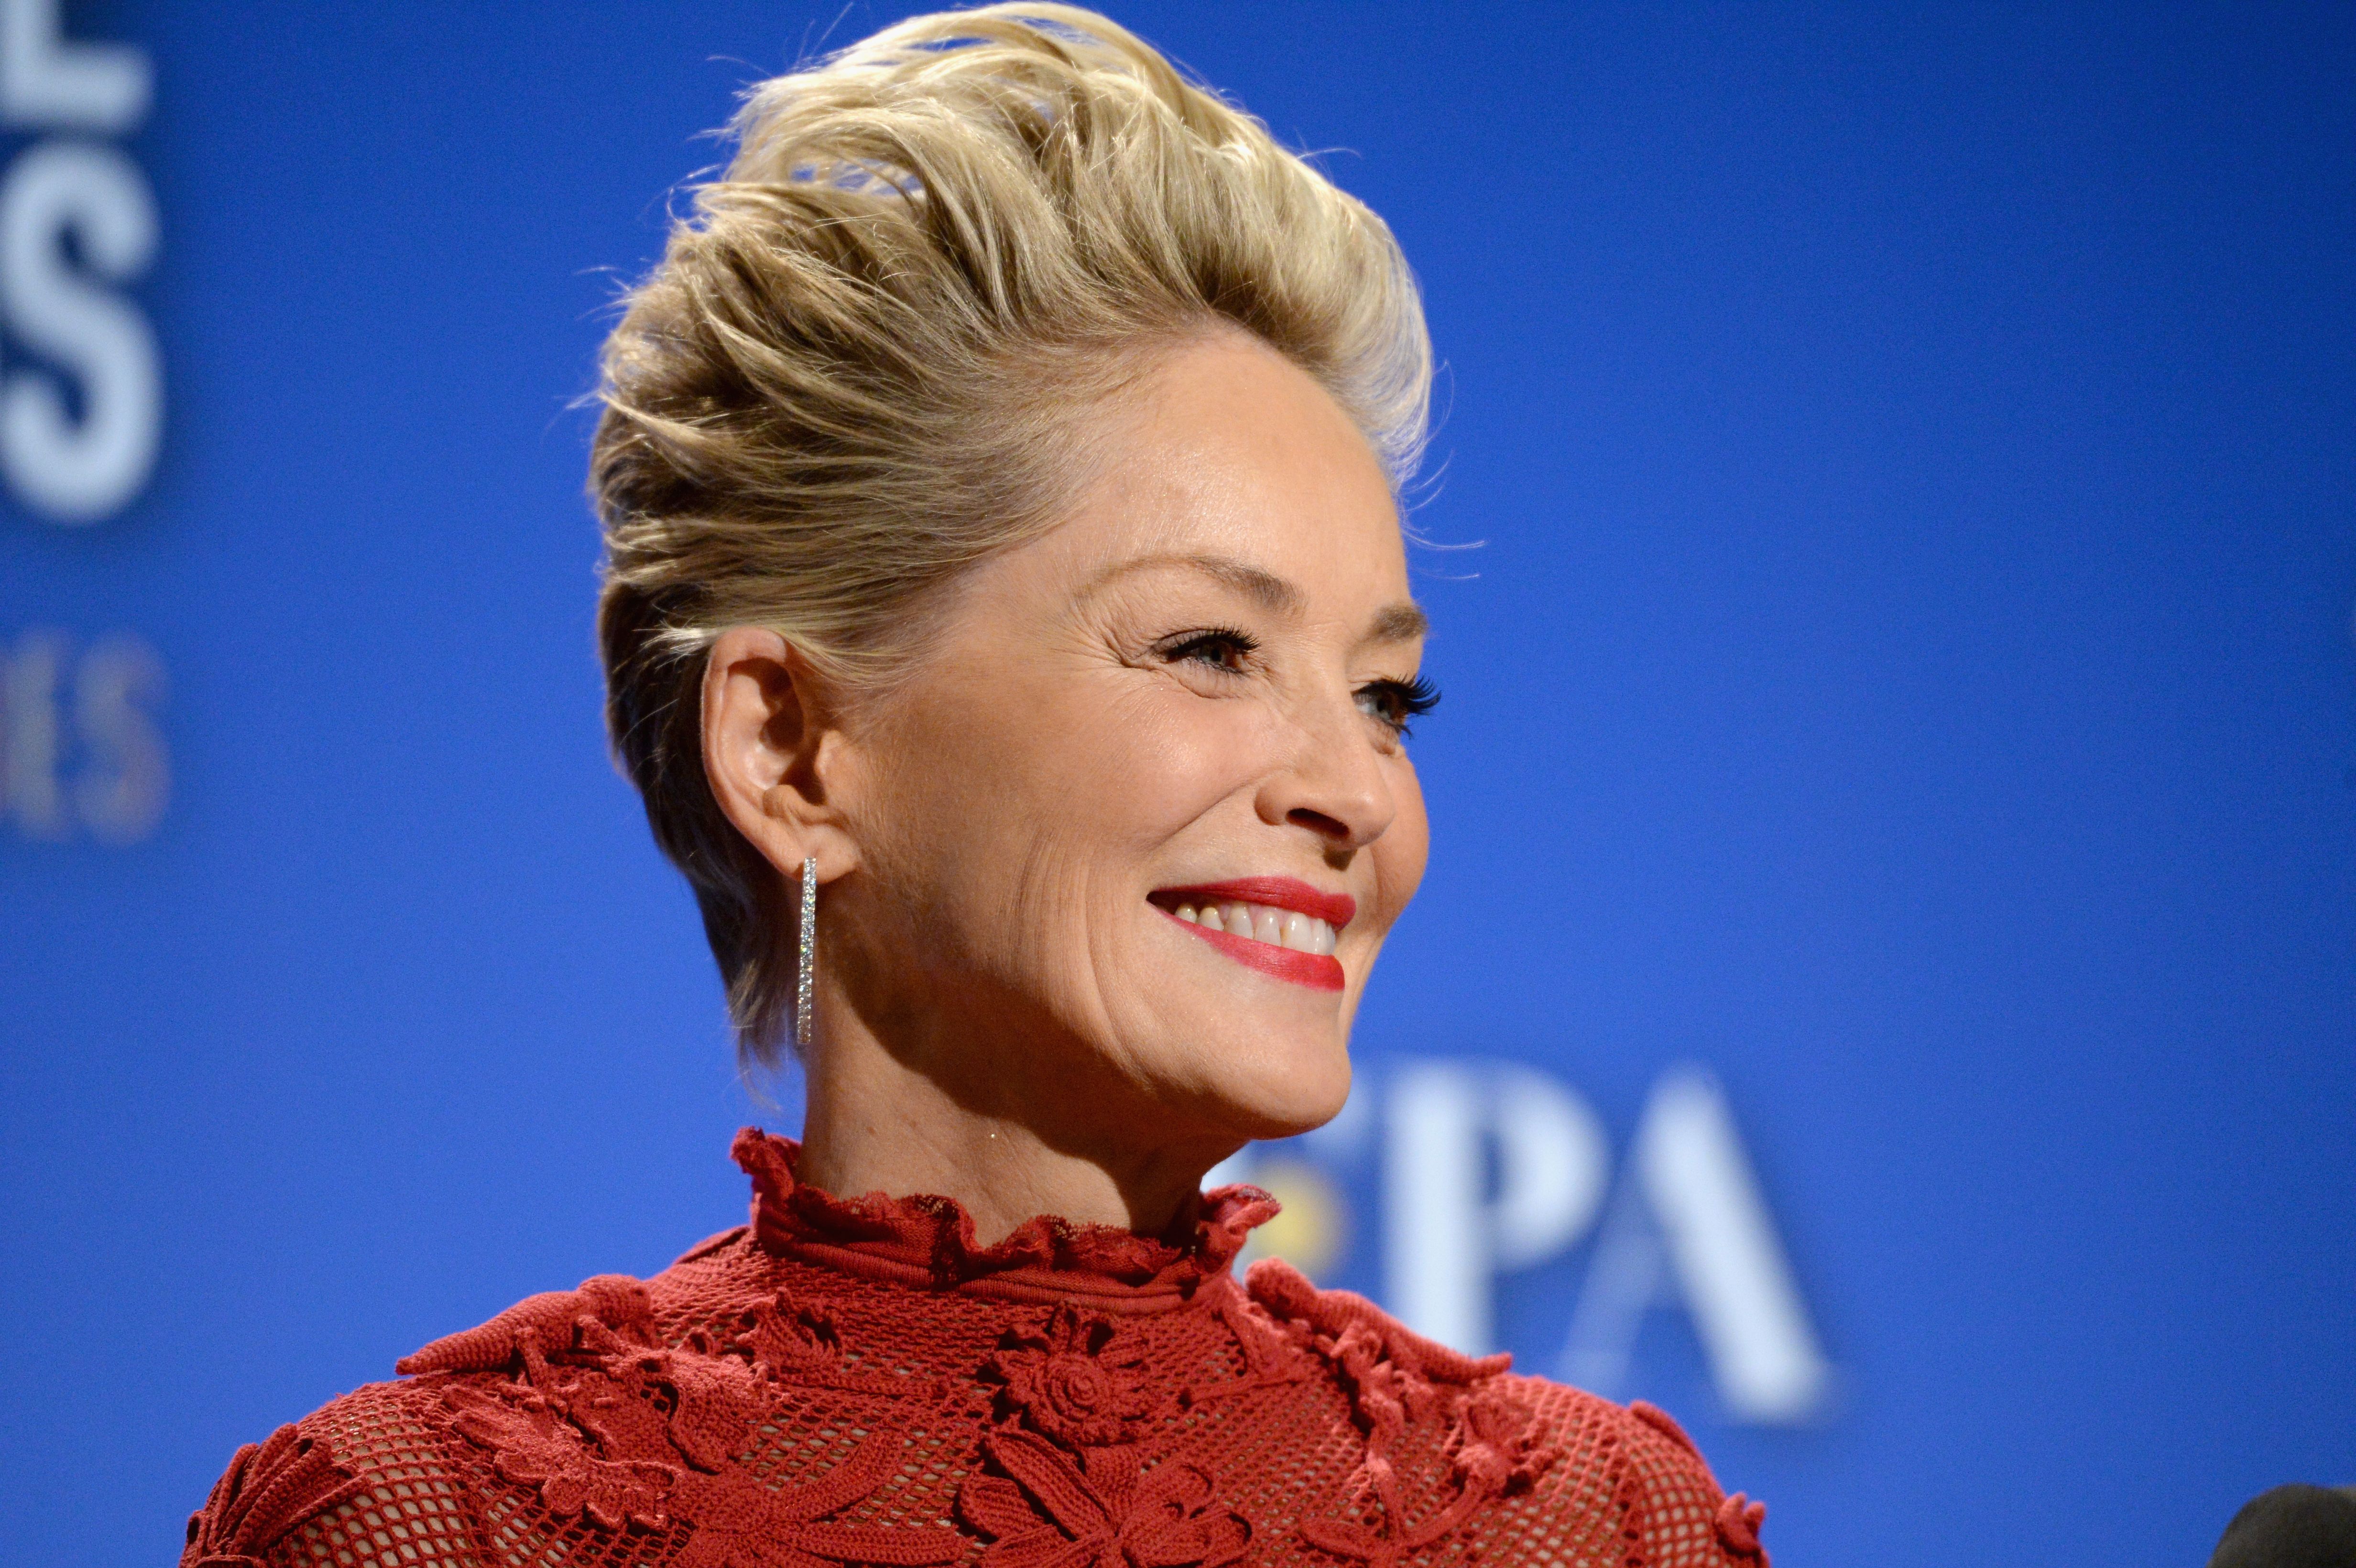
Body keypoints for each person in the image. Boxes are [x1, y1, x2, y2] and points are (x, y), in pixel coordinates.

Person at [181, 8, 1771, 1566]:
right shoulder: (429, 1530)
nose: (1354, 787)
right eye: (1211, 645)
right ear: (793, 752)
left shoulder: (1593, 1530)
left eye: (1385, 694)